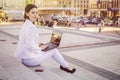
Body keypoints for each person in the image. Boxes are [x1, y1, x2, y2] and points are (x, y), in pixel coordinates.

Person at [15, 4, 76, 73]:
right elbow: (30, 45)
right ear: (27, 14)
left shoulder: (25, 25)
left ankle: (64, 65)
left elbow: (26, 42)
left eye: (36, 12)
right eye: (33, 12)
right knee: (53, 50)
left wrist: (38, 44)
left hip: (25, 58)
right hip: (30, 60)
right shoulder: (31, 27)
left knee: (50, 47)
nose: (35, 15)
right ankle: (66, 67)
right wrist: (41, 48)